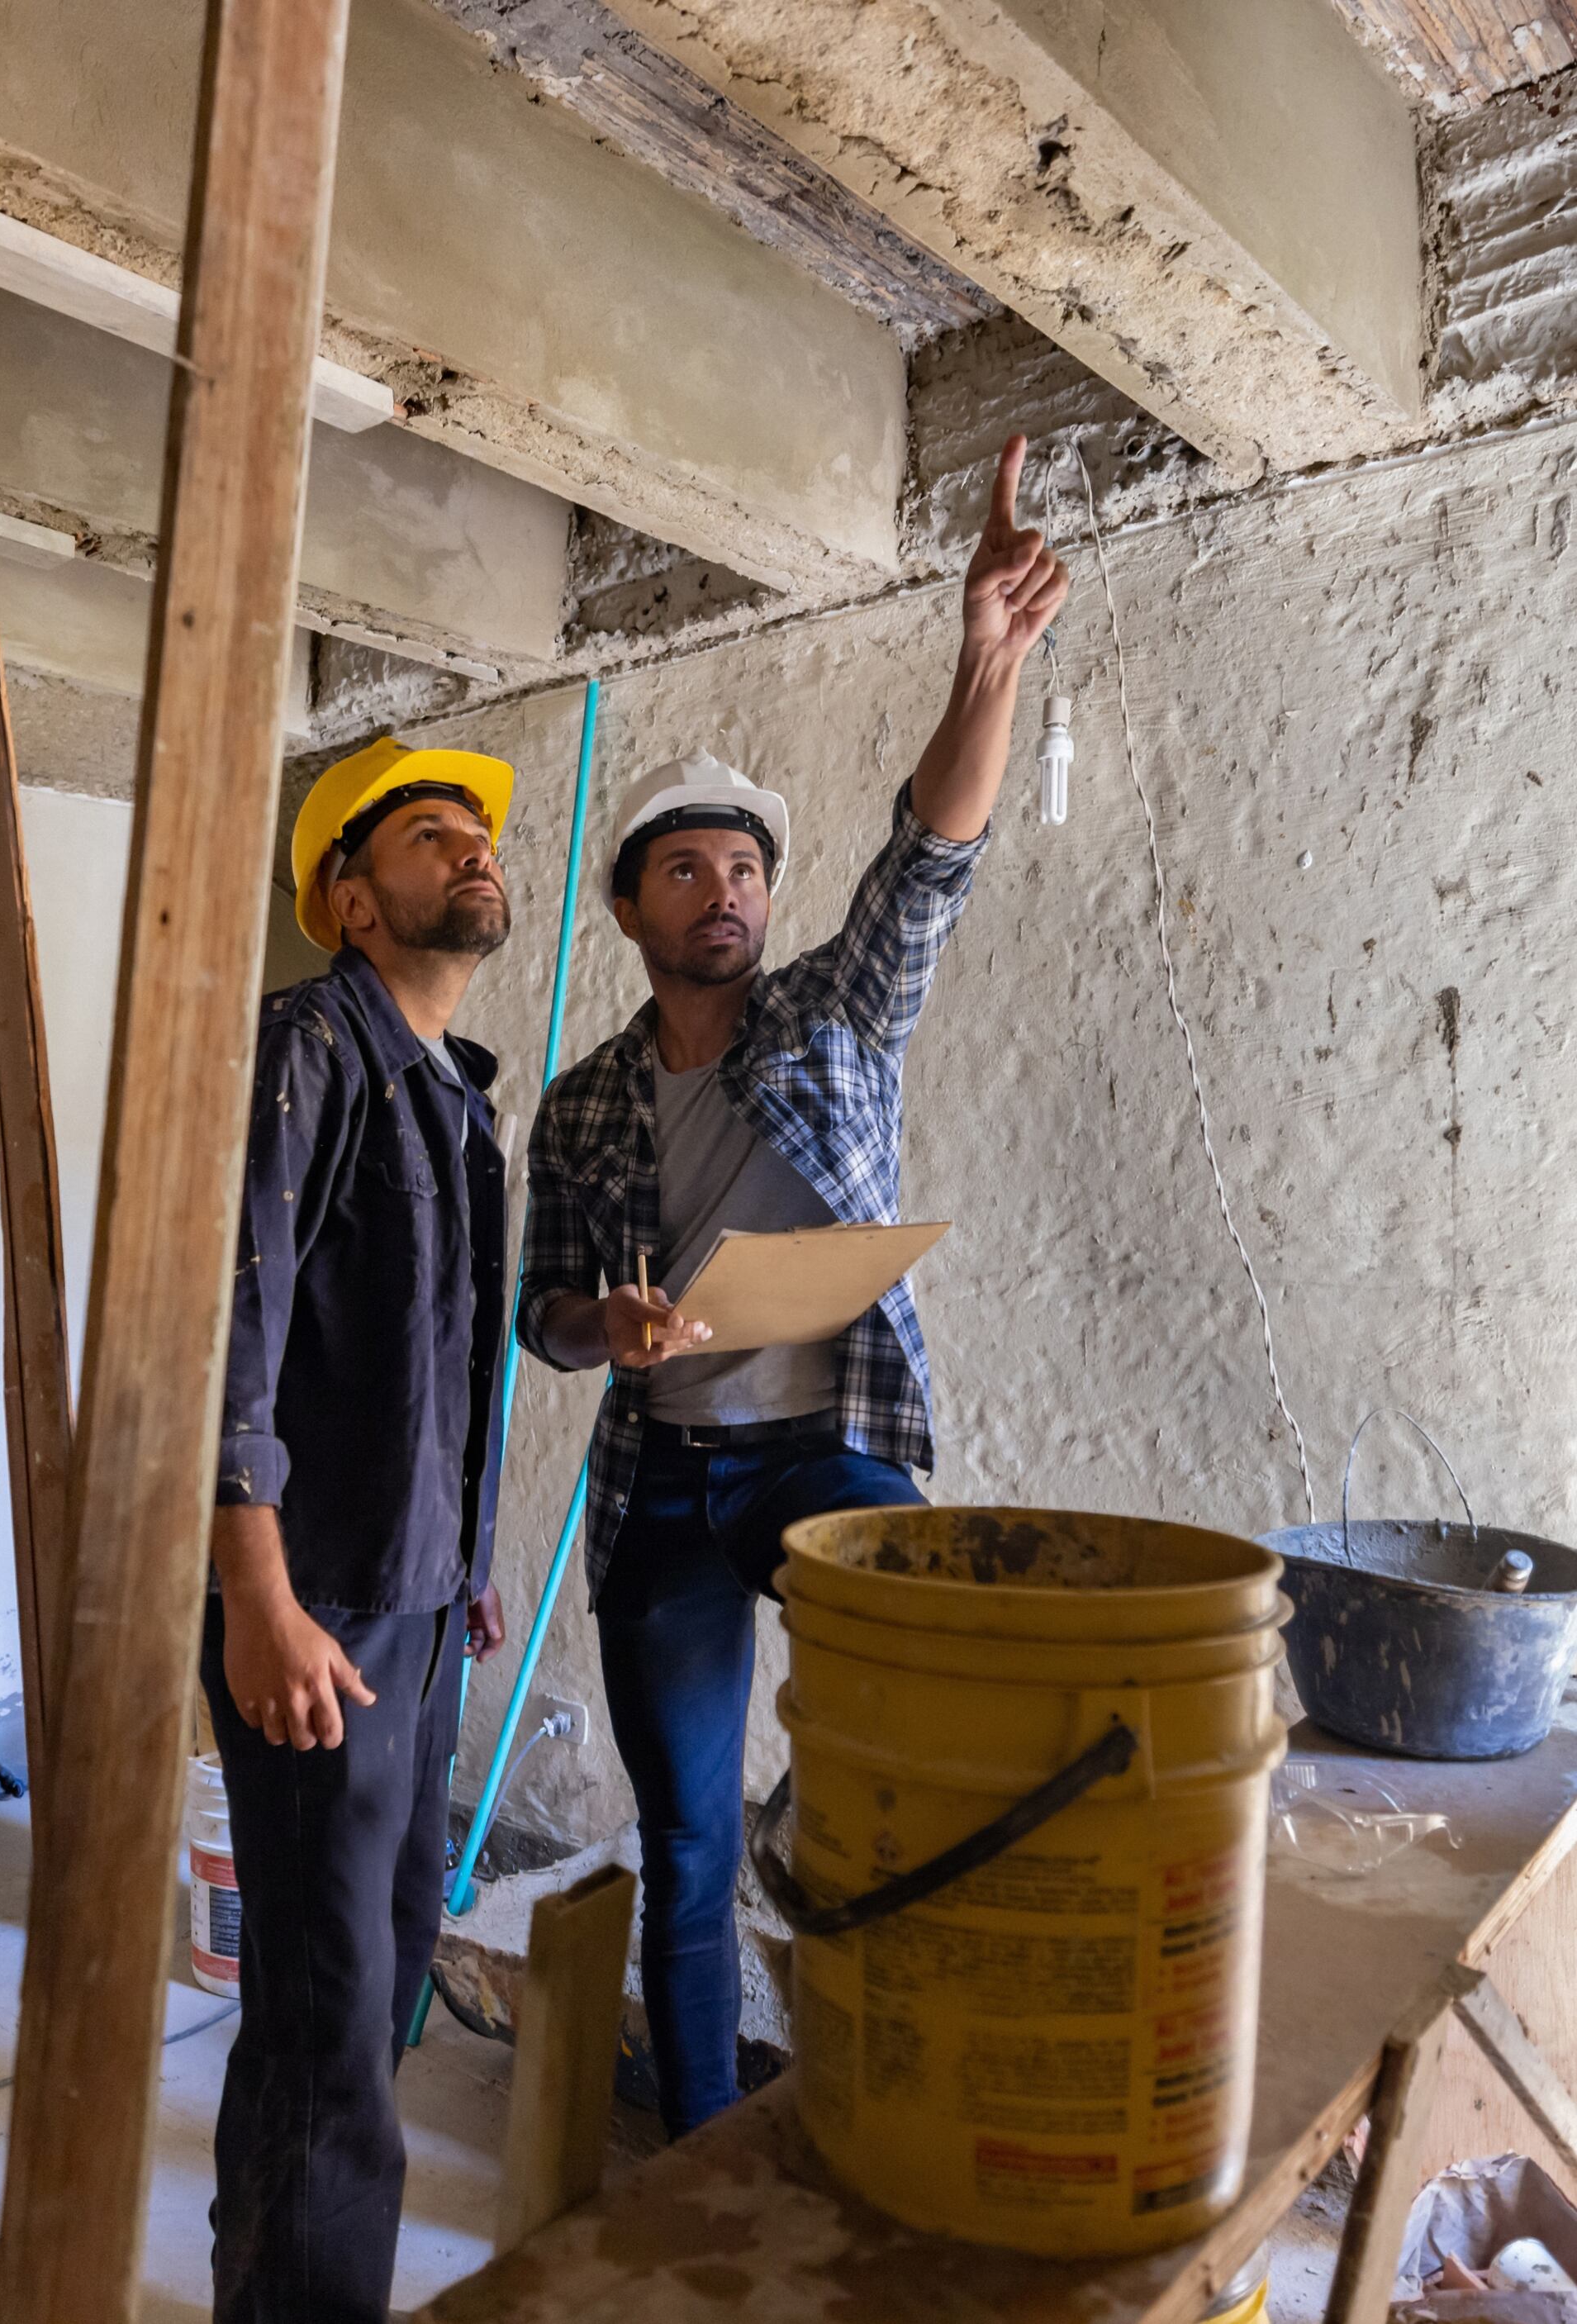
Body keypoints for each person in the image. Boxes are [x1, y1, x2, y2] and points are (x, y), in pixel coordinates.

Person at [515, 435, 1071, 2137]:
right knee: (684, 1848)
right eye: (688, 868)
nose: (729, 890)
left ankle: (884, 2118)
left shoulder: (832, 1019)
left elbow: (926, 865)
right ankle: (690, 2149)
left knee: (888, 1807)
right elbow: (539, 1314)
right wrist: (602, 1329)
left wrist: (981, 663)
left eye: (746, 866)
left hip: (827, 1457)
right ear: (630, 909)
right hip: (662, 1490)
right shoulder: (583, 1102)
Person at [205, 734, 518, 2322]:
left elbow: (437, 1357)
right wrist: (257, 1596)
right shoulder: (308, 1048)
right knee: (334, 2027)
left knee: (364, 1989)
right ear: (347, 900)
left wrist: (463, 1567)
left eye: (479, 834)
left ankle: (262, 2283)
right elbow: (229, 1338)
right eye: (428, 834)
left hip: (409, 1611)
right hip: (311, 1606)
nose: (471, 850)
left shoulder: (456, 1100)